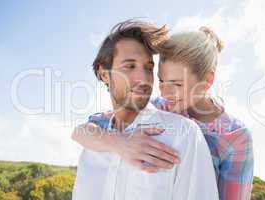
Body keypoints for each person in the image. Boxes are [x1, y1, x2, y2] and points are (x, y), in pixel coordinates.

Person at [72, 19, 219, 200]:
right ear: (104, 74)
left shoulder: (183, 135)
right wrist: (119, 142)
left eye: (149, 68)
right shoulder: (91, 150)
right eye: (130, 66)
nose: (143, 78)